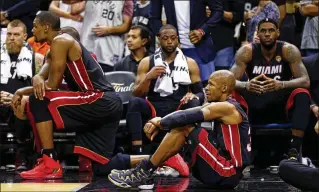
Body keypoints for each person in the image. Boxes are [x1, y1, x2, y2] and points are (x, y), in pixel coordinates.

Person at [12, 11, 187, 179]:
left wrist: (26, 89)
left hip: (98, 98)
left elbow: (51, 85)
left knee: (38, 100)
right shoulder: (52, 50)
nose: (32, 31)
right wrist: (32, 81)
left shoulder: (61, 41)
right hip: (105, 104)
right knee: (102, 166)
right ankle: (165, 157)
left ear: (46, 27)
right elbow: (42, 77)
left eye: (35, 27)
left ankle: (50, 162)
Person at [108, 70, 251, 190]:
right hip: (224, 170)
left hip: (227, 172)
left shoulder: (227, 107)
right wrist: (160, 122)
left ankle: (144, 172)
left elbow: (186, 116)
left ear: (224, 88)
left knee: (184, 127)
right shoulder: (222, 106)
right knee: (185, 126)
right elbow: (186, 113)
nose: (206, 88)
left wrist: (160, 123)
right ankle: (155, 168)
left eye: (211, 85)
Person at [230, 18, 311, 158]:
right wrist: (246, 85)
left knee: (302, 93)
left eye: (271, 30)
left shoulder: (288, 50)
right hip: (254, 103)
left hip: (281, 103)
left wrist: (281, 84)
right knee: (230, 95)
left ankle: (294, 148)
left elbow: (305, 81)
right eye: (263, 31)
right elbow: (228, 81)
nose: (267, 34)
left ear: (278, 32)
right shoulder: (247, 51)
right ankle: (234, 150)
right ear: (258, 34)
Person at [126, 24, 203, 154]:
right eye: (165, 38)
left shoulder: (190, 63)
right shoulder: (147, 62)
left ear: (177, 39)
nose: (169, 41)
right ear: (159, 40)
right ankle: (137, 151)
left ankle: (191, 150)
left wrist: (194, 96)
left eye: (173, 38)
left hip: (178, 105)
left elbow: (200, 93)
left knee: (193, 103)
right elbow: (136, 94)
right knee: (134, 103)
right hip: (154, 105)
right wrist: (148, 77)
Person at [150, 0, 223, 84]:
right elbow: (153, 18)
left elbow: (217, 11)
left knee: (207, 88)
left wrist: (202, 31)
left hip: (201, 49)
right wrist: (167, 37)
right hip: (174, 51)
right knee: (176, 91)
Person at [0, 19, 36, 172]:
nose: (12, 38)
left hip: (19, 102)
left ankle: (22, 156)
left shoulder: (35, 58)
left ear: (25, 36)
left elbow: (37, 87)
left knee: (22, 107)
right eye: (9, 34)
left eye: (16, 34)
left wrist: (14, 96)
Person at [70, 0, 133, 72]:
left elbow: (126, 26)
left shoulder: (126, 1)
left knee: (106, 78)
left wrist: (109, 30)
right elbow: (74, 10)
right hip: (87, 45)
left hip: (110, 50)